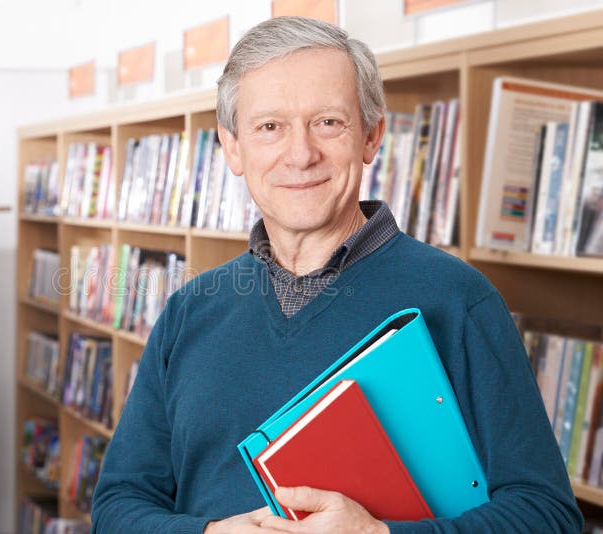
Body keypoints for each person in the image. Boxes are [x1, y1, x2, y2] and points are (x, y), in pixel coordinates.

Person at [92, 16, 583, 534]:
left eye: (328, 122)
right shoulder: (189, 311)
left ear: (372, 136)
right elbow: (119, 505)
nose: (301, 155)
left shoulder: (459, 301)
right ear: (233, 147)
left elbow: (547, 515)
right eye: (270, 127)